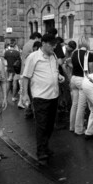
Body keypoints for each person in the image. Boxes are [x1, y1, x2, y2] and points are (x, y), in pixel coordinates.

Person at [21, 34, 65, 164]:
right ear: (44, 43)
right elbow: (26, 77)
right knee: (41, 125)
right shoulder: (33, 57)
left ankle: (45, 147)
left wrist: (58, 77)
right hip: (40, 97)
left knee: (50, 125)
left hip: (53, 95)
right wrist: (24, 94)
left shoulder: (54, 56)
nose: (55, 47)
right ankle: (41, 152)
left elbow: (54, 71)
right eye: (52, 45)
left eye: (55, 44)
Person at [69, 36, 93, 135]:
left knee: (74, 104)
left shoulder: (74, 53)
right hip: (82, 80)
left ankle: (72, 126)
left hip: (73, 79)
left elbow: (73, 65)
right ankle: (79, 129)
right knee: (81, 105)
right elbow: (91, 70)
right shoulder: (89, 54)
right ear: (87, 43)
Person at [19, 32, 42, 114]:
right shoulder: (34, 44)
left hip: (23, 69)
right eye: (39, 38)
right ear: (36, 37)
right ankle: (30, 109)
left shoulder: (26, 43)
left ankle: (27, 108)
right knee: (30, 91)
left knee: (26, 90)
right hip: (29, 71)